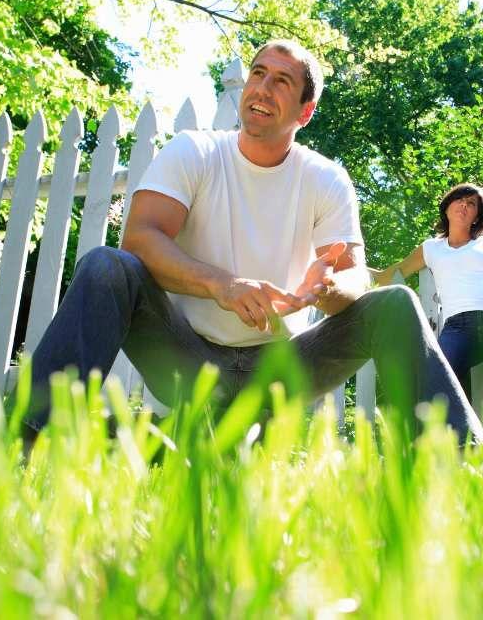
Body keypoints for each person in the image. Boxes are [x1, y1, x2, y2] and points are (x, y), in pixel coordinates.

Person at [26, 39, 483, 443]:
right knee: (107, 266)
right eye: (258, 74)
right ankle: (29, 434)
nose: (262, 88)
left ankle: (457, 456)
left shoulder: (326, 180)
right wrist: (221, 284)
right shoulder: (194, 151)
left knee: (395, 303)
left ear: (305, 111)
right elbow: (140, 240)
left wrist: (324, 290)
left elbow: (355, 280)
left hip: (281, 367)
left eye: (282, 81)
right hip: (187, 357)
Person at [371, 183, 483, 400]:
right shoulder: (431, 248)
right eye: (460, 199)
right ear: (447, 206)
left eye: (472, 203)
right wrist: (352, 268)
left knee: (442, 378)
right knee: (440, 378)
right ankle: (464, 433)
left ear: (477, 216)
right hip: (457, 327)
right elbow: (389, 275)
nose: (464, 205)